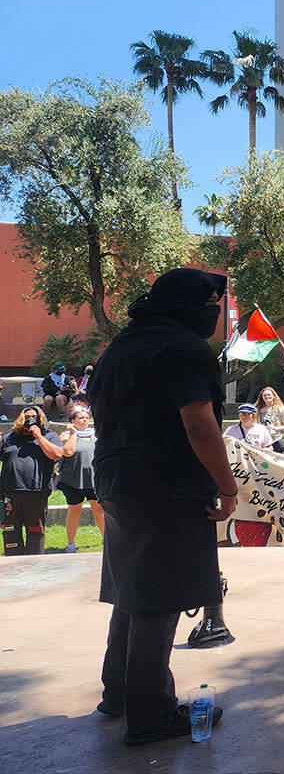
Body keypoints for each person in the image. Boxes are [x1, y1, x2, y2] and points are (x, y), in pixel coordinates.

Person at [89, 268, 235, 744]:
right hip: (164, 487)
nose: (215, 309)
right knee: (159, 597)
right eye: (210, 300)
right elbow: (199, 422)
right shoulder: (183, 349)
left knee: (131, 591)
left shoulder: (123, 346)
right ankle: (149, 713)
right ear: (188, 304)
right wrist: (227, 486)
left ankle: (118, 694)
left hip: (116, 483)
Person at [2, 406, 64, 555]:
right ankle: (13, 567)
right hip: (9, 493)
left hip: (36, 492)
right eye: (27, 416)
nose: (30, 419)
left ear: (41, 419)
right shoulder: (10, 438)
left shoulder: (49, 436)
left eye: (34, 417)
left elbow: (57, 454)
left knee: (35, 531)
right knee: (10, 530)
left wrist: (39, 437)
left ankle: (34, 565)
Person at [59, 406, 103, 552]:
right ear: (72, 421)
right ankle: (71, 544)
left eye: (86, 417)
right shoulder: (65, 435)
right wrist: (73, 433)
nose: (84, 420)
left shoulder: (96, 434)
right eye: (80, 418)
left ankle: (107, 539)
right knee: (74, 510)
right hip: (73, 480)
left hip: (94, 480)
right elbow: (68, 452)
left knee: (98, 509)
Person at [255, 387, 284, 454]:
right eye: (264, 395)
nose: (267, 397)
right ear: (262, 397)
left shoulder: (281, 409)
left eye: (269, 395)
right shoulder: (258, 410)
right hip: (263, 441)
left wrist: (275, 428)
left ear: (274, 396)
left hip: (277, 440)